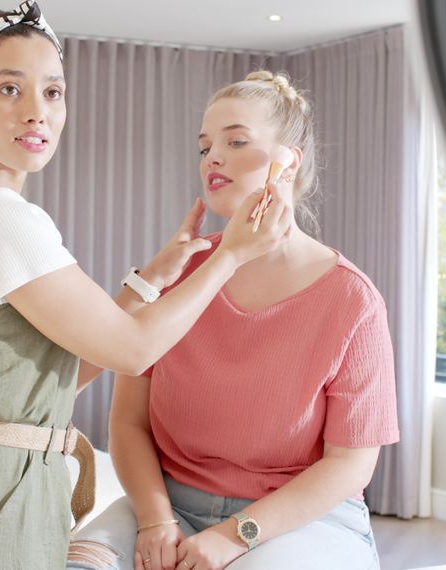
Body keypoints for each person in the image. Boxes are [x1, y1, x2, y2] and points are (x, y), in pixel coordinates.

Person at [0, 3, 293, 567]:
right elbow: (133, 350)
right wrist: (231, 257)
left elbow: (58, 376)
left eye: (53, 92)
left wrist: (152, 280)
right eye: (9, 89)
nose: (36, 112)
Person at [66, 71, 400, 570]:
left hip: (298, 521)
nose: (212, 158)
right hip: (169, 506)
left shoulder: (353, 300)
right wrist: (155, 520)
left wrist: (235, 535)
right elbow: (129, 423)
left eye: (236, 141)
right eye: (205, 147)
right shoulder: (179, 274)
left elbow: (351, 465)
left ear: (289, 163)